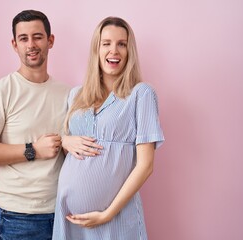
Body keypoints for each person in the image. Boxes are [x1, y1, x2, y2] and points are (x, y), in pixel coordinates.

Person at [52, 16, 165, 239]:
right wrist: (65, 140)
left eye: (122, 44)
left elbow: (146, 166)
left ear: (129, 51)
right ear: (97, 49)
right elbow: (72, 150)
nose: (114, 50)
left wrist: (107, 214)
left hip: (116, 218)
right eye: (107, 43)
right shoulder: (76, 95)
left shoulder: (141, 94)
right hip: (69, 220)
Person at [0, 10, 70, 240]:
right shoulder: (0, 92)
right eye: (24, 39)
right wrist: (33, 149)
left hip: (62, 212)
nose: (31, 45)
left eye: (38, 37)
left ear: (50, 40)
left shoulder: (68, 94)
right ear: (15, 44)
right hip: (18, 217)